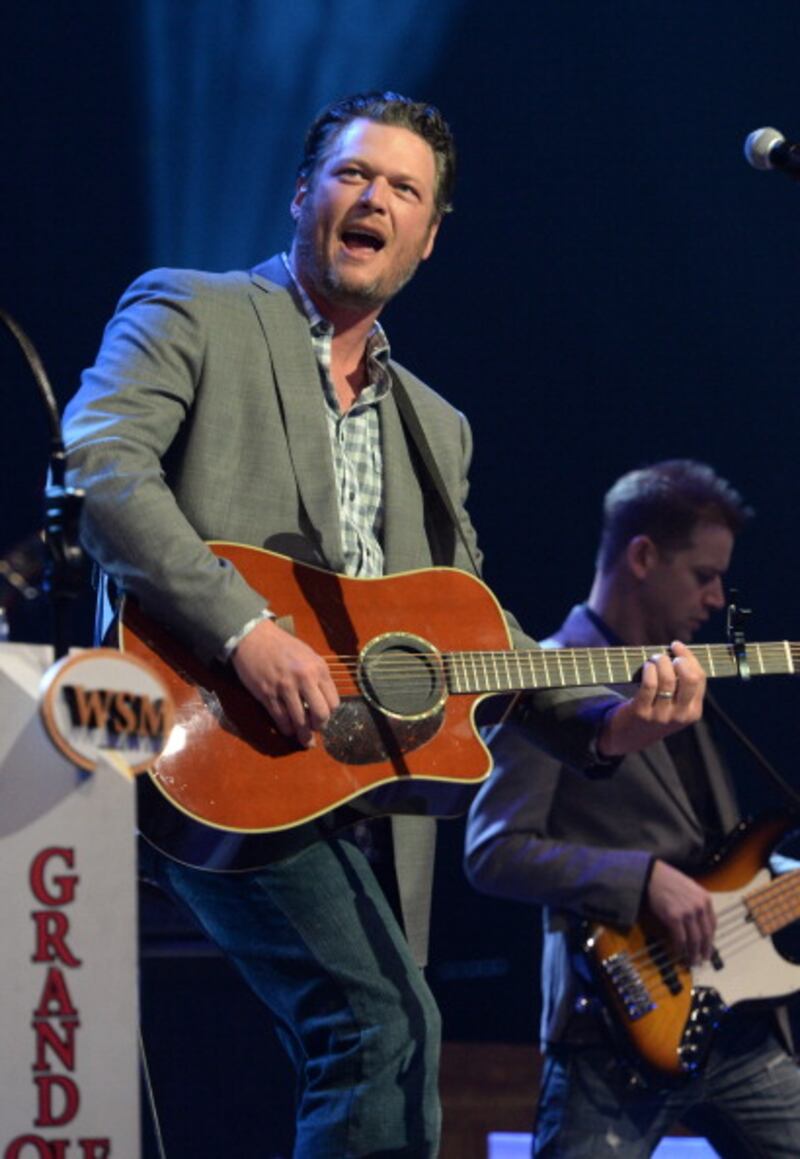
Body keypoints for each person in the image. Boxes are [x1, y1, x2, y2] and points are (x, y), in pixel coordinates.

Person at [62, 95, 705, 1158]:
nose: (375, 199)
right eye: (354, 175)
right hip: (194, 738)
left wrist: (605, 725)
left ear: (429, 236)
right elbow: (100, 467)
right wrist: (244, 628)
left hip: (355, 782)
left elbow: (474, 630)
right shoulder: (193, 309)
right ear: (302, 194)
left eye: (404, 189)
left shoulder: (437, 426)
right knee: (383, 1031)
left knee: (385, 1044)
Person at [465, 459, 800, 1158]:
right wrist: (643, 878)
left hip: (737, 1030)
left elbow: (722, 861)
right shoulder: (546, 680)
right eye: (703, 574)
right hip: (614, 1034)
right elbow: (491, 850)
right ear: (643, 556)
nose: (718, 597)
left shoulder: (683, 673)